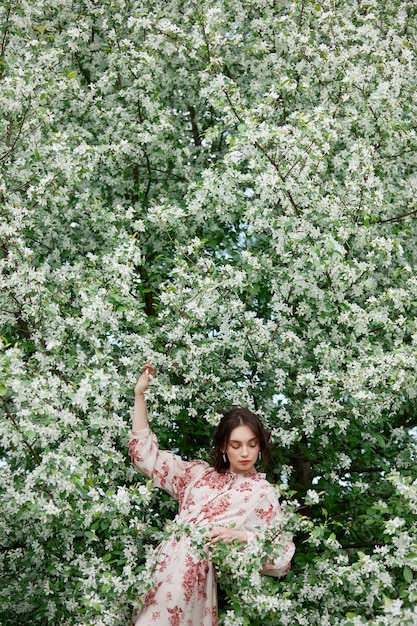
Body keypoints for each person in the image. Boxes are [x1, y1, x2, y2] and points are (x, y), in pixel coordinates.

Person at [129, 361, 295, 626]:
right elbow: (145, 457)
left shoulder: (261, 492)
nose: (244, 453)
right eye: (236, 445)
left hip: (194, 576)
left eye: (252, 445)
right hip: (161, 565)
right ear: (222, 447)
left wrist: (240, 537)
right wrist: (140, 395)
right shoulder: (197, 474)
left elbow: (282, 554)